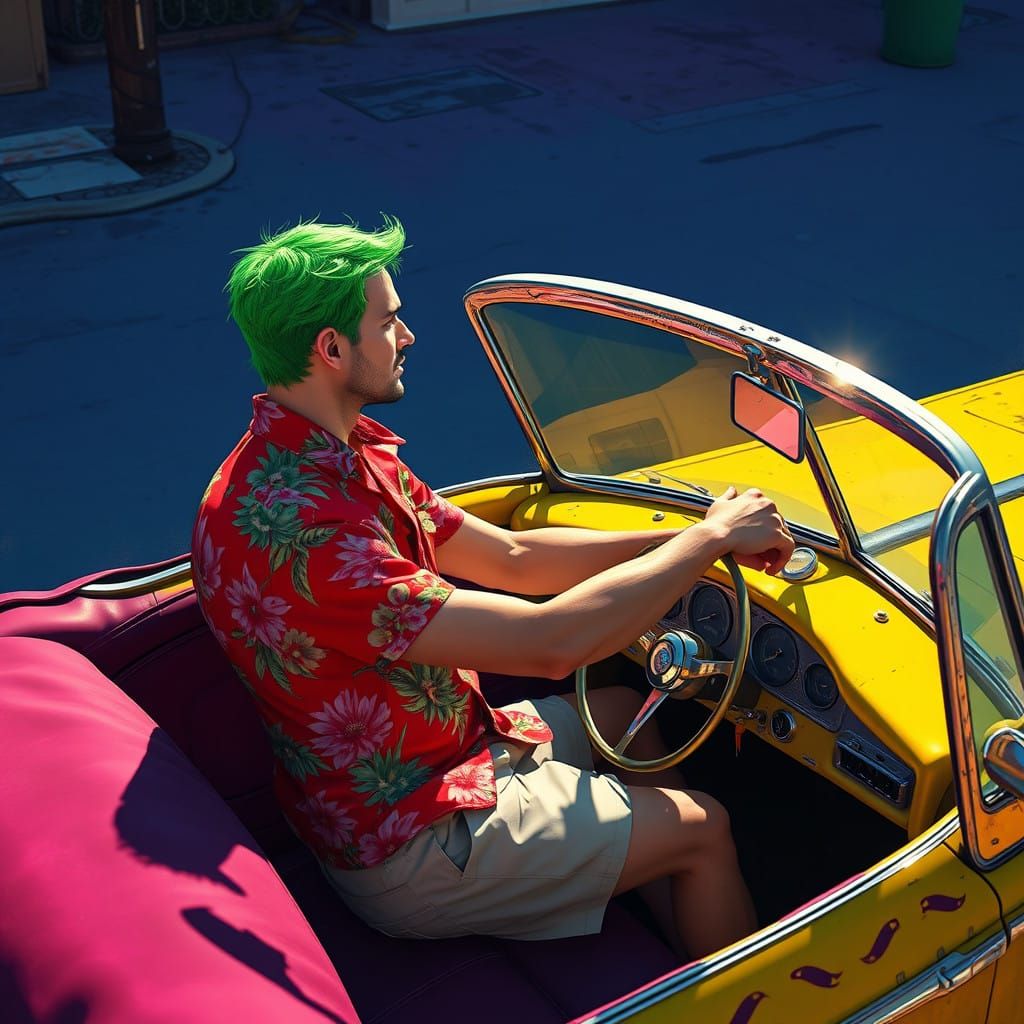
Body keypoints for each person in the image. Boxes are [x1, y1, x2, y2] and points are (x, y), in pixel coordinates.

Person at [192, 216, 795, 961]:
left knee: (623, 710)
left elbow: (512, 556)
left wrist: (689, 541)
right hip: (411, 844)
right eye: (390, 320)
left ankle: (670, 919)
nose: (407, 336)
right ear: (332, 348)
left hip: (431, 763)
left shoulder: (321, 457)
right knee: (706, 826)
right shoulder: (308, 529)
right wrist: (708, 543)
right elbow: (549, 645)